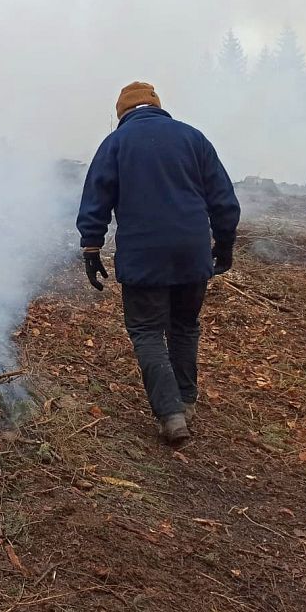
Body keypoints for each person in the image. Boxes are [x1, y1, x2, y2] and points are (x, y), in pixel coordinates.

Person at [76, 82, 240, 445]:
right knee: (184, 326)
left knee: (148, 331)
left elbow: (96, 198)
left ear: (122, 113)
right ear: (157, 106)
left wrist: (91, 247)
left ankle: (171, 415)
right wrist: (225, 244)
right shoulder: (193, 138)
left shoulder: (116, 143)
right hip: (192, 251)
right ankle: (186, 400)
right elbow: (224, 200)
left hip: (143, 254)